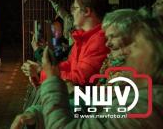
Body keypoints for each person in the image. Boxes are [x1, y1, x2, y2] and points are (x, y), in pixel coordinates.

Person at [12, 8, 163, 129]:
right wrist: (38, 114)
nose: (125, 51)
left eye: (133, 44)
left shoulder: (146, 105)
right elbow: (94, 106)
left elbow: (80, 79)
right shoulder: (133, 87)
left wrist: (51, 78)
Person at [27, 0, 109, 87]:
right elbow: (69, 64)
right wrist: (43, 70)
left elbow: (79, 79)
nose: (73, 12)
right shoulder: (82, 38)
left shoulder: (99, 41)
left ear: (87, 11)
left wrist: (45, 73)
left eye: (75, 8)